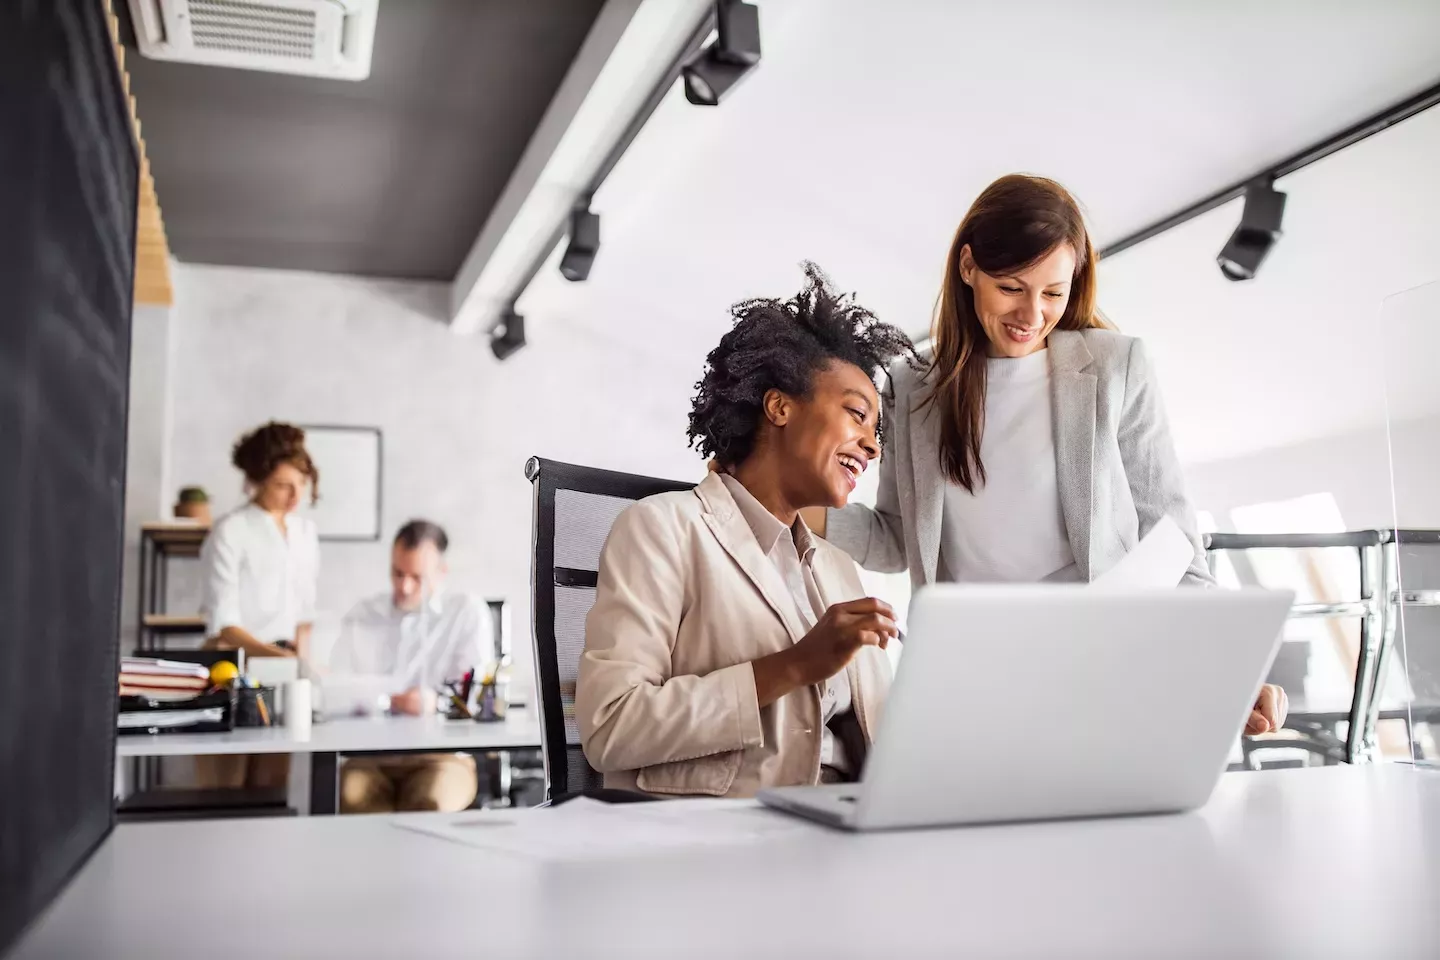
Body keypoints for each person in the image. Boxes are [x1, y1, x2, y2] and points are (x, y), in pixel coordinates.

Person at [812, 174, 1288, 736]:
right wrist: (790, 501)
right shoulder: (913, 384)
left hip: (1097, 668)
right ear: (969, 268)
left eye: (1053, 293)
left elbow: (1174, 543)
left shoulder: (1117, 367)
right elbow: (896, 538)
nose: (1032, 313)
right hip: (967, 674)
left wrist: (1226, 669)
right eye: (1011, 287)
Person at [577, 263, 916, 798]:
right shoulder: (661, 529)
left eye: (876, 431)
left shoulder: (839, 569)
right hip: (724, 846)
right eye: (856, 415)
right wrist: (795, 665)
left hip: (851, 833)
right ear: (779, 406)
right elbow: (610, 727)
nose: (873, 446)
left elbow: (883, 741)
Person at [330, 520, 492, 813]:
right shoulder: (363, 615)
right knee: (354, 799)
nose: (404, 586)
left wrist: (436, 703)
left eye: (417, 577)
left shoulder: (466, 612)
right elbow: (335, 689)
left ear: (441, 573)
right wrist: (378, 699)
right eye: (397, 573)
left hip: (443, 759)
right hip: (369, 757)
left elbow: (477, 697)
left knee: (430, 804)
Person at [197, 420, 321, 788]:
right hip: (231, 667)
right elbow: (224, 625)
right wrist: (278, 657)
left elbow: (304, 612)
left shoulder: (305, 534)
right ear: (257, 480)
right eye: (284, 485)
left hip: (282, 671)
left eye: (301, 484)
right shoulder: (231, 531)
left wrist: (300, 664)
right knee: (224, 790)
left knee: (272, 788)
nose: (295, 496)